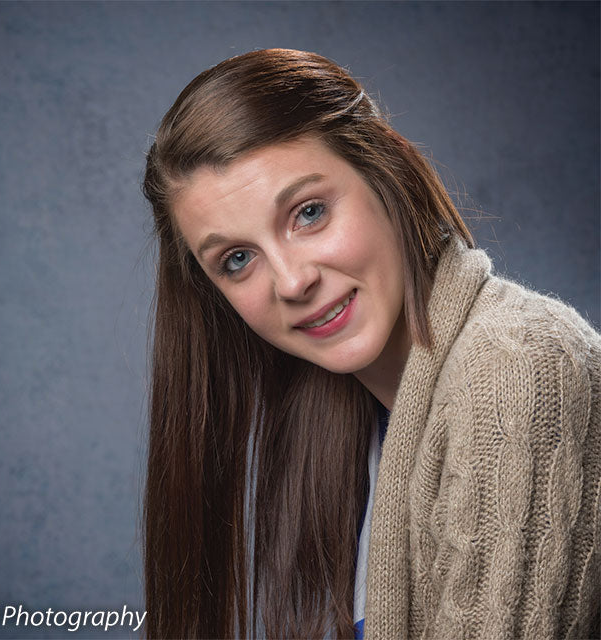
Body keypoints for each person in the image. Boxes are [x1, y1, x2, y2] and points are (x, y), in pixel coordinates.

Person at [141, 49, 600, 640]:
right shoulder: (356, 421)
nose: (291, 281)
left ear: (389, 172)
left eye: (308, 213)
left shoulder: (514, 371)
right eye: (236, 259)